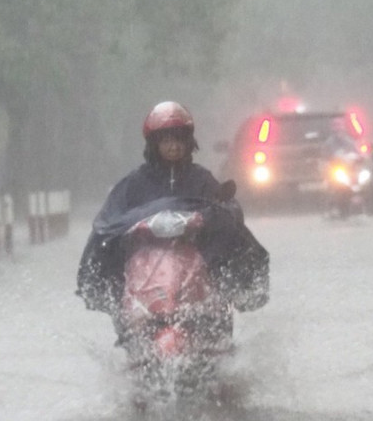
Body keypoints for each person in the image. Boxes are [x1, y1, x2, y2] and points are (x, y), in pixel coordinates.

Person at [76, 101, 268, 344]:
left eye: (179, 140)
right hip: (144, 266)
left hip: (196, 261)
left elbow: (224, 209)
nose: (173, 147)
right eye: (166, 141)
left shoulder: (201, 178)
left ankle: (218, 324)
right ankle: (132, 330)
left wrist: (211, 218)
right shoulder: (134, 183)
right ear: (154, 145)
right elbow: (111, 219)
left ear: (189, 143)